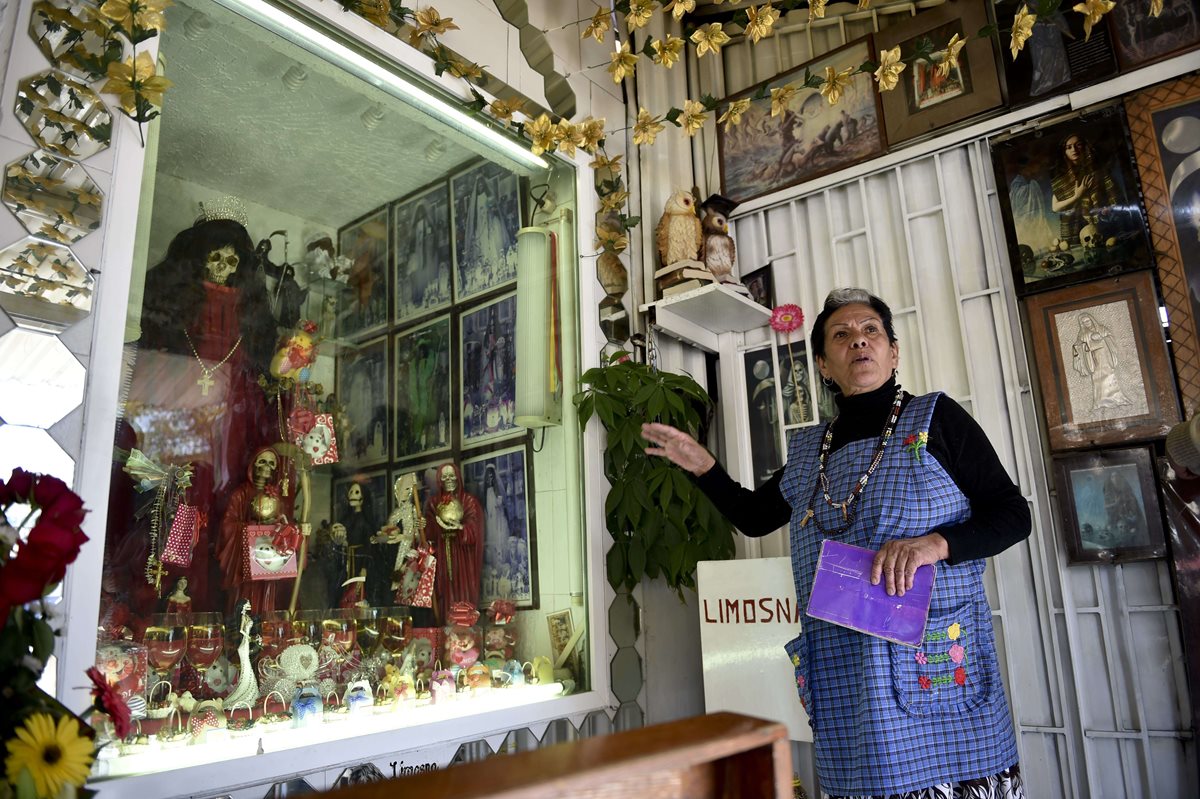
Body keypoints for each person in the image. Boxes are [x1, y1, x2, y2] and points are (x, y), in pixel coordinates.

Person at [643, 288, 1030, 798]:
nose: (859, 342)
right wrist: (704, 467)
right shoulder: (809, 451)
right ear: (824, 365)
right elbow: (756, 518)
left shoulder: (937, 419)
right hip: (849, 682)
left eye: (871, 331)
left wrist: (933, 544)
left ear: (893, 352)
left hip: (935, 672)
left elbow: (1013, 515)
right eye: (842, 336)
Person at [1050, 133, 1118, 247]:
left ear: (1085, 147)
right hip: (1076, 230)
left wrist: (1108, 208)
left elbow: (1113, 196)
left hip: (1101, 226)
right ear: (1064, 152)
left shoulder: (1099, 171)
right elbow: (1055, 207)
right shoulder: (1062, 179)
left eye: (1078, 145)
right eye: (1069, 147)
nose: (1074, 150)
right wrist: (1077, 196)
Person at [1071, 312, 1131, 411]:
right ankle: (1100, 402)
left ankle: (1116, 398)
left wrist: (1102, 337)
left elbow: (1111, 336)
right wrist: (1077, 346)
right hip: (1093, 358)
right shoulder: (1082, 333)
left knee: (1109, 375)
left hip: (1105, 354)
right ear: (1082, 324)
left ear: (1091, 319)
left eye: (1088, 320)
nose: (1087, 323)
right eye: (1084, 322)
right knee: (1097, 378)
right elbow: (1078, 343)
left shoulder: (1101, 328)